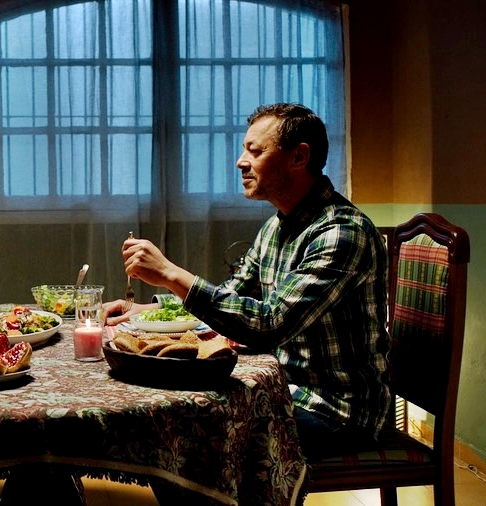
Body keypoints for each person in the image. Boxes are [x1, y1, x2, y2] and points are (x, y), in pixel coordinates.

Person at [104, 103, 391, 461]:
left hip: (336, 413)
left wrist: (170, 273)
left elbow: (268, 325)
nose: (241, 162)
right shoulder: (276, 227)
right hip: (281, 390)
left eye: (255, 151)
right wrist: (147, 310)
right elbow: (231, 299)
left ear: (299, 157)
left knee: (187, 433)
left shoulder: (341, 233)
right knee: (171, 408)